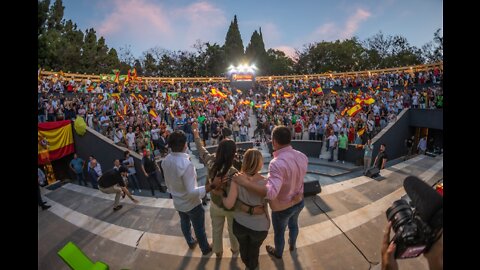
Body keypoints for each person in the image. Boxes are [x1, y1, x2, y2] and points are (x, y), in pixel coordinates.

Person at [234, 125, 308, 259]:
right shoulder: (302, 156)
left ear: (274, 141)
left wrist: (246, 183)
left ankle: (278, 252)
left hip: (283, 208)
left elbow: (271, 193)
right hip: (299, 200)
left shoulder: (276, 163)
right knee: (294, 224)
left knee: (279, 232)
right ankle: (292, 244)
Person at [162, 130, 222, 256]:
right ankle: (205, 248)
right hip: (192, 204)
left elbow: (169, 182)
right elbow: (191, 192)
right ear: (185, 145)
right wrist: (211, 186)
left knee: (184, 223)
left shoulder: (165, 160)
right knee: (199, 228)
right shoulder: (185, 164)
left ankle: (190, 241)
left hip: (178, 201)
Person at [192, 121, 240, 258]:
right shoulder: (234, 172)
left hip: (215, 204)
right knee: (233, 231)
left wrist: (196, 133)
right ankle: (235, 249)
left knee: (216, 230)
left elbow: (201, 150)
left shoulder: (211, 161)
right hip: (230, 207)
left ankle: (218, 251)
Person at [222, 149, 269, 270]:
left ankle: (248, 263)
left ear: (245, 161)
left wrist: (222, 194)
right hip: (259, 226)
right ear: (260, 163)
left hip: (240, 224)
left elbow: (228, 204)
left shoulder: (236, 179)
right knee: (254, 249)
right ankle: (252, 265)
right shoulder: (266, 182)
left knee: (243, 247)